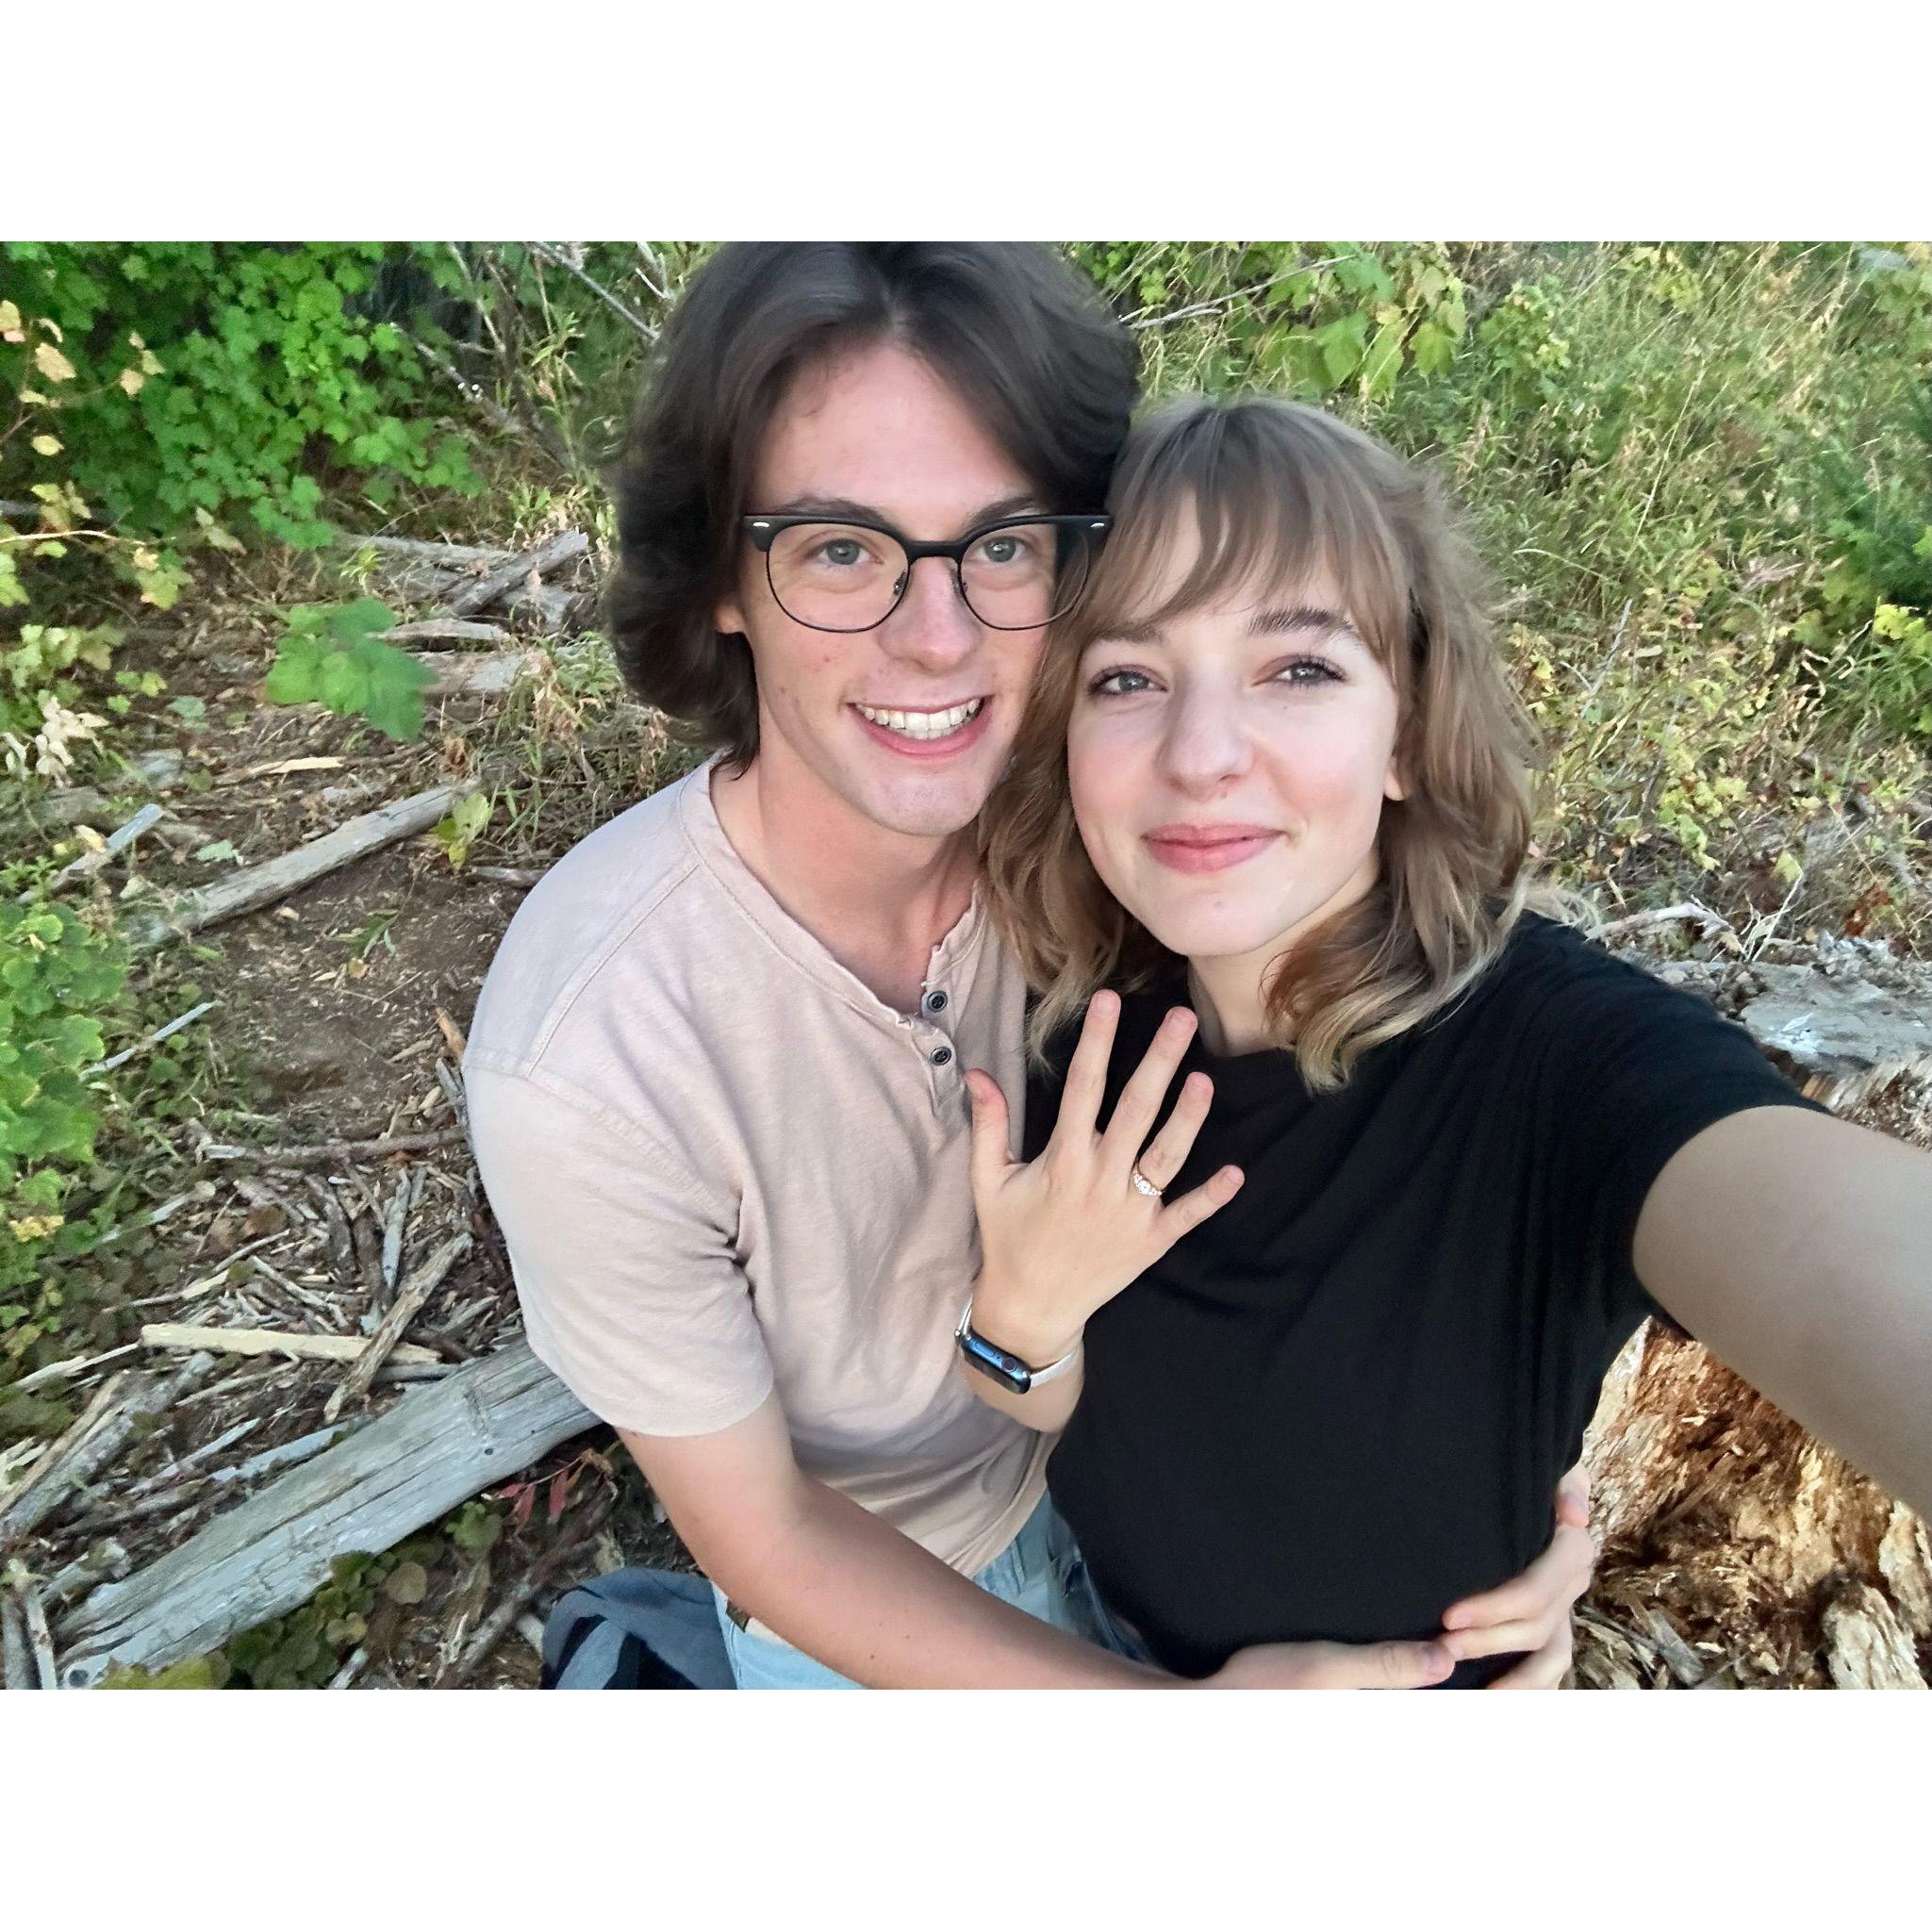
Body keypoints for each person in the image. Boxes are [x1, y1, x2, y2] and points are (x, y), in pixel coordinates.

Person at [466, 244, 1593, 1690]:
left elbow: (1383, 1108)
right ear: (721, 583)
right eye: (839, 549)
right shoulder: (589, 1059)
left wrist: (1510, 1488)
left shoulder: (1117, 825)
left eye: (999, 546)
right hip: (896, 1582)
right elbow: (769, 1536)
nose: (936, 641)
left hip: (1157, 1490)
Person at [965, 393, 1932, 1685]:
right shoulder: (1065, 1027)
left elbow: (1839, 1248)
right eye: (1126, 678)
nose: (1199, 755)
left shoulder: (1562, 1062)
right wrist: (1020, 1317)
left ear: (1409, 734)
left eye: (1297, 668)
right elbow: (1031, 1393)